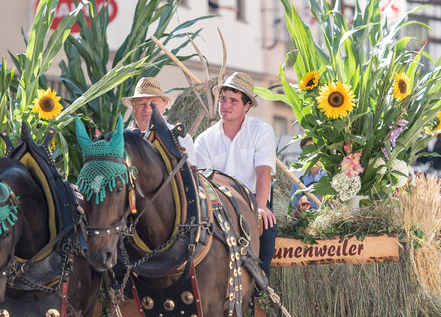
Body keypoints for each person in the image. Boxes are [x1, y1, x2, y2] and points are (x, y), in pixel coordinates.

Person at [195, 71, 277, 277]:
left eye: (233, 100)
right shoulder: (204, 140)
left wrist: (260, 207)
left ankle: (260, 287)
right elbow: (204, 182)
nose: (225, 105)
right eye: (222, 99)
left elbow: (263, 171)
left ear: (247, 106)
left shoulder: (262, 130)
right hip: (218, 205)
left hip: (252, 201)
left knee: (267, 226)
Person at [123, 76, 197, 166]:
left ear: (163, 104)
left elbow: (190, 176)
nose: (147, 109)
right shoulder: (121, 139)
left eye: (153, 104)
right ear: (133, 106)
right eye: (141, 104)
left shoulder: (181, 139)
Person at [290, 137, 327, 217]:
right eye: (306, 150)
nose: (310, 153)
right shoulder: (298, 183)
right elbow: (291, 217)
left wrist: (329, 202)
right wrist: (298, 210)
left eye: (313, 148)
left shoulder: (334, 179)